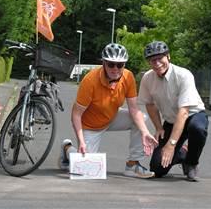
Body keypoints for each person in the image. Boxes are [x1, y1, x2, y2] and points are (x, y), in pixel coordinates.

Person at [59, 43, 158, 178]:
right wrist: (81, 140)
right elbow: (76, 114)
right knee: (85, 170)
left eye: (120, 65)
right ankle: (67, 148)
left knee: (142, 119)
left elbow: (134, 109)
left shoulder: (128, 77)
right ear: (104, 63)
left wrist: (145, 132)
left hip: (111, 118)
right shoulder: (90, 81)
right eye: (111, 64)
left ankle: (132, 165)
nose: (115, 68)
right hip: (90, 126)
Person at [138, 41, 209, 181]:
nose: (157, 63)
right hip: (171, 121)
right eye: (153, 60)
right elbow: (150, 104)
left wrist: (171, 144)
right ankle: (183, 153)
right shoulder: (147, 78)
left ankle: (191, 163)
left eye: (160, 58)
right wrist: (158, 127)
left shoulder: (183, 75)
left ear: (168, 56)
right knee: (157, 169)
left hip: (192, 116)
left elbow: (183, 112)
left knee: (198, 129)